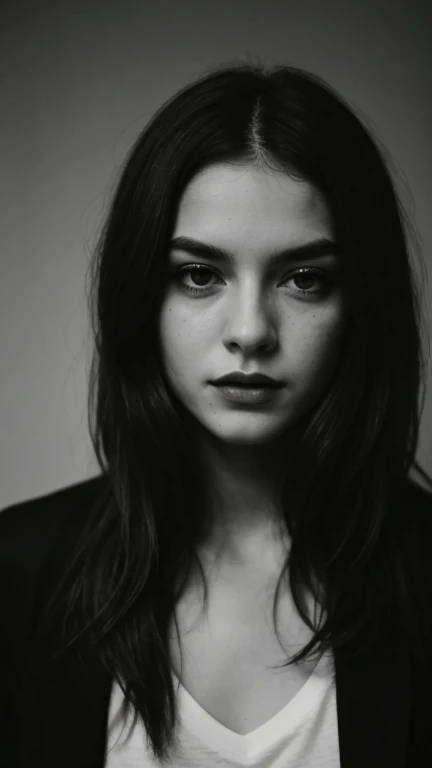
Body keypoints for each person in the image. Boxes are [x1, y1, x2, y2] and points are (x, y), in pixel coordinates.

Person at [1, 57, 432, 768]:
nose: (251, 330)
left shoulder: (420, 580)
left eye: (304, 278)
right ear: (145, 294)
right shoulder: (16, 578)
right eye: (199, 274)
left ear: (361, 304)